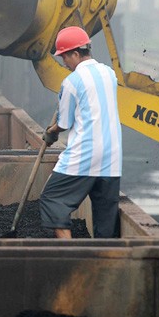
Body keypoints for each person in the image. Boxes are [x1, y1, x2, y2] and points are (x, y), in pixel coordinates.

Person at [38, 26, 122, 239]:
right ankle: (106, 263)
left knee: (52, 199)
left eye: (65, 57)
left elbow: (65, 122)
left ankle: (69, 251)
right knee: (106, 220)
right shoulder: (109, 74)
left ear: (75, 53)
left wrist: (52, 132)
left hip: (84, 155)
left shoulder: (72, 82)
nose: (64, 62)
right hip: (111, 158)